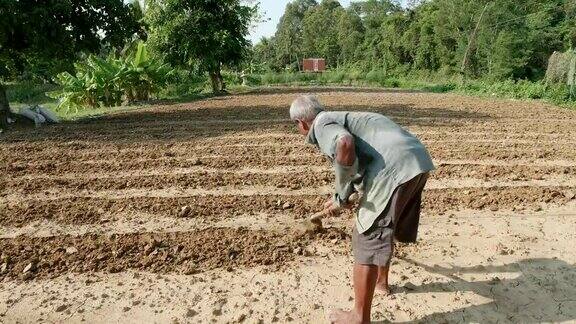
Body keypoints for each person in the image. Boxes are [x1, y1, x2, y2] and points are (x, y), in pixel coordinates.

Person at [289, 95, 435, 324]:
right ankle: (381, 283)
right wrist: (345, 195)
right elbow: (361, 159)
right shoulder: (347, 117)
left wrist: (340, 195)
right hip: (417, 161)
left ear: (301, 123)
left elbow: (345, 144)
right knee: (386, 224)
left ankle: (358, 317)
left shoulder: (321, 123)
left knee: (365, 236)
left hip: (394, 170)